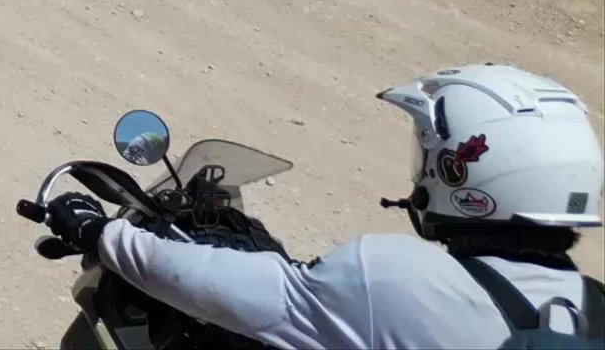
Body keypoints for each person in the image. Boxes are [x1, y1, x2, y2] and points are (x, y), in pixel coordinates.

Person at [37, 62, 605, 350]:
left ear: (466, 171)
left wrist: (100, 235)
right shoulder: (592, 309)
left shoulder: (396, 278)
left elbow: (236, 288)